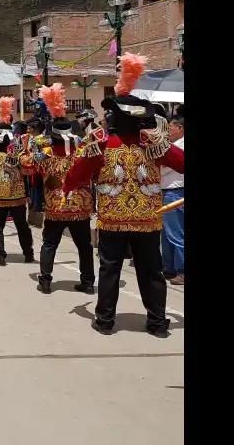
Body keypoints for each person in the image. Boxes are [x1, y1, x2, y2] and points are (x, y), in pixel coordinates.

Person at [63, 54, 184, 337]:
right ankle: (157, 322)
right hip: (146, 220)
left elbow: (77, 175)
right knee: (151, 271)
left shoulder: (103, 144)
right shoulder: (155, 145)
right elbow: (182, 163)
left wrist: (68, 189)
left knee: (110, 270)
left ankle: (105, 321)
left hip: (112, 219)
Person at [23, 85, 95, 293]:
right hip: (80, 206)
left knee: (50, 244)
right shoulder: (82, 151)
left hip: (55, 207)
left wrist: (31, 147)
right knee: (83, 245)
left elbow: (25, 163)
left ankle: (45, 281)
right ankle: (88, 282)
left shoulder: (45, 152)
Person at [0, 123, 35, 265]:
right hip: (16, 198)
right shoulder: (17, 158)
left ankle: (0, 255)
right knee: (22, 226)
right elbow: (28, 171)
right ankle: (28, 253)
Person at [160, 116, 184, 285]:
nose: (168, 130)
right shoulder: (173, 145)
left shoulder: (180, 146)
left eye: (170, 127)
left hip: (174, 192)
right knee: (166, 235)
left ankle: (182, 270)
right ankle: (168, 268)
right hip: (167, 191)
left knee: (176, 234)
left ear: (180, 128)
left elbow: (164, 169)